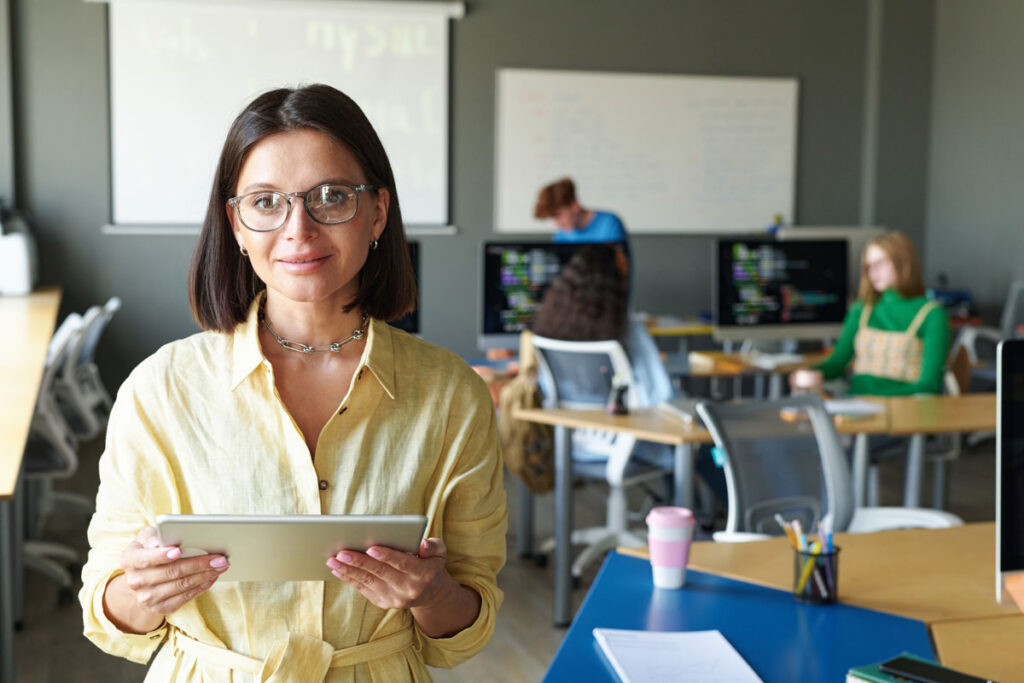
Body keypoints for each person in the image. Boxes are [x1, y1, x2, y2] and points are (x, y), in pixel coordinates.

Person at [79, 84, 506, 681]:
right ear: (235, 223)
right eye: (265, 201)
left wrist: (431, 593)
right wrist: (141, 590)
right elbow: (104, 610)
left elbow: (467, 619)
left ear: (378, 211)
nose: (298, 229)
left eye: (332, 196)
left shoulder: (452, 394)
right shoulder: (162, 388)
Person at [790, 230, 950, 396]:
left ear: (903, 263)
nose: (872, 271)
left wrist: (871, 399)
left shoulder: (932, 314)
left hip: (905, 410)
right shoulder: (861, 309)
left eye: (880, 263)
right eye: (868, 266)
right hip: (856, 407)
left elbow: (929, 385)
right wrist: (812, 373)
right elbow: (837, 363)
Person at [533, 177, 628, 245]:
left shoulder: (609, 224)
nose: (557, 224)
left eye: (558, 215)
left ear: (574, 205)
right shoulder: (561, 235)